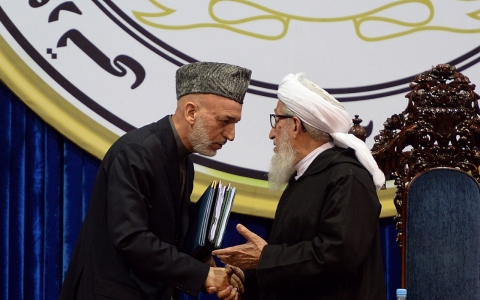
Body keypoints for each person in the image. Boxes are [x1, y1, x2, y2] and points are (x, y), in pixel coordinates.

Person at [59, 62, 252, 300]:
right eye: (225, 121)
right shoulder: (136, 152)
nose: (231, 135)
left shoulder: (183, 161)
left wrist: (205, 263)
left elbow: (166, 237)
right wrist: (202, 275)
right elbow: (131, 239)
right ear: (191, 112)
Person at [213, 72, 387, 299]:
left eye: (276, 121)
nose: (271, 133)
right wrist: (248, 278)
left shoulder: (347, 177)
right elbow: (294, 265)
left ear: (295, 125)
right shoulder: (304, 177)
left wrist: (265, 258)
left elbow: (337, 257)